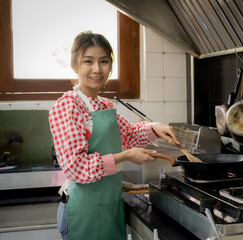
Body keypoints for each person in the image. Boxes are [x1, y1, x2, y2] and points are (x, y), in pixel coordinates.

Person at [49, 31, 178, 240]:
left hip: (109, 208)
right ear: (75, 65)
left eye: (104, 61)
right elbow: (76, 167)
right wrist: (126, 156)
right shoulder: (68, 106)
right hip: (84, 212)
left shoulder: (103, 104)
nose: (97, 69)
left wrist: (156, 128)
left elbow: (128, 135)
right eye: (88, 61)